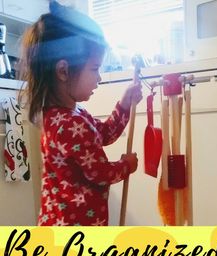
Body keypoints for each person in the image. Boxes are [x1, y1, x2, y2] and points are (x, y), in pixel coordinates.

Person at [20, 0, 142, 226]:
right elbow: (100, 172)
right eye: (95, 69)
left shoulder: (70, 116)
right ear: (63, 71)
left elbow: (104, 134)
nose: (99, 77)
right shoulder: (67, 124)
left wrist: (124, 105)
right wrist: (127, 165)